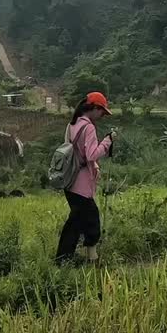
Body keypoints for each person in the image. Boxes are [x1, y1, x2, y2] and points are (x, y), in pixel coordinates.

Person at [55, 91, 116, 264]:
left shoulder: (72, 124)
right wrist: (107, 141)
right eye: (102, 112)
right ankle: (83, 259)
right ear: (94, 108)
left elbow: (74, 152)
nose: (102, 115)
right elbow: (91, 154)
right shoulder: (88, 127)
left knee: (77, 222)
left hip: (69, 181)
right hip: (81, 186)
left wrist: (93, 165)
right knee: (91, 222)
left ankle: (67, 259)